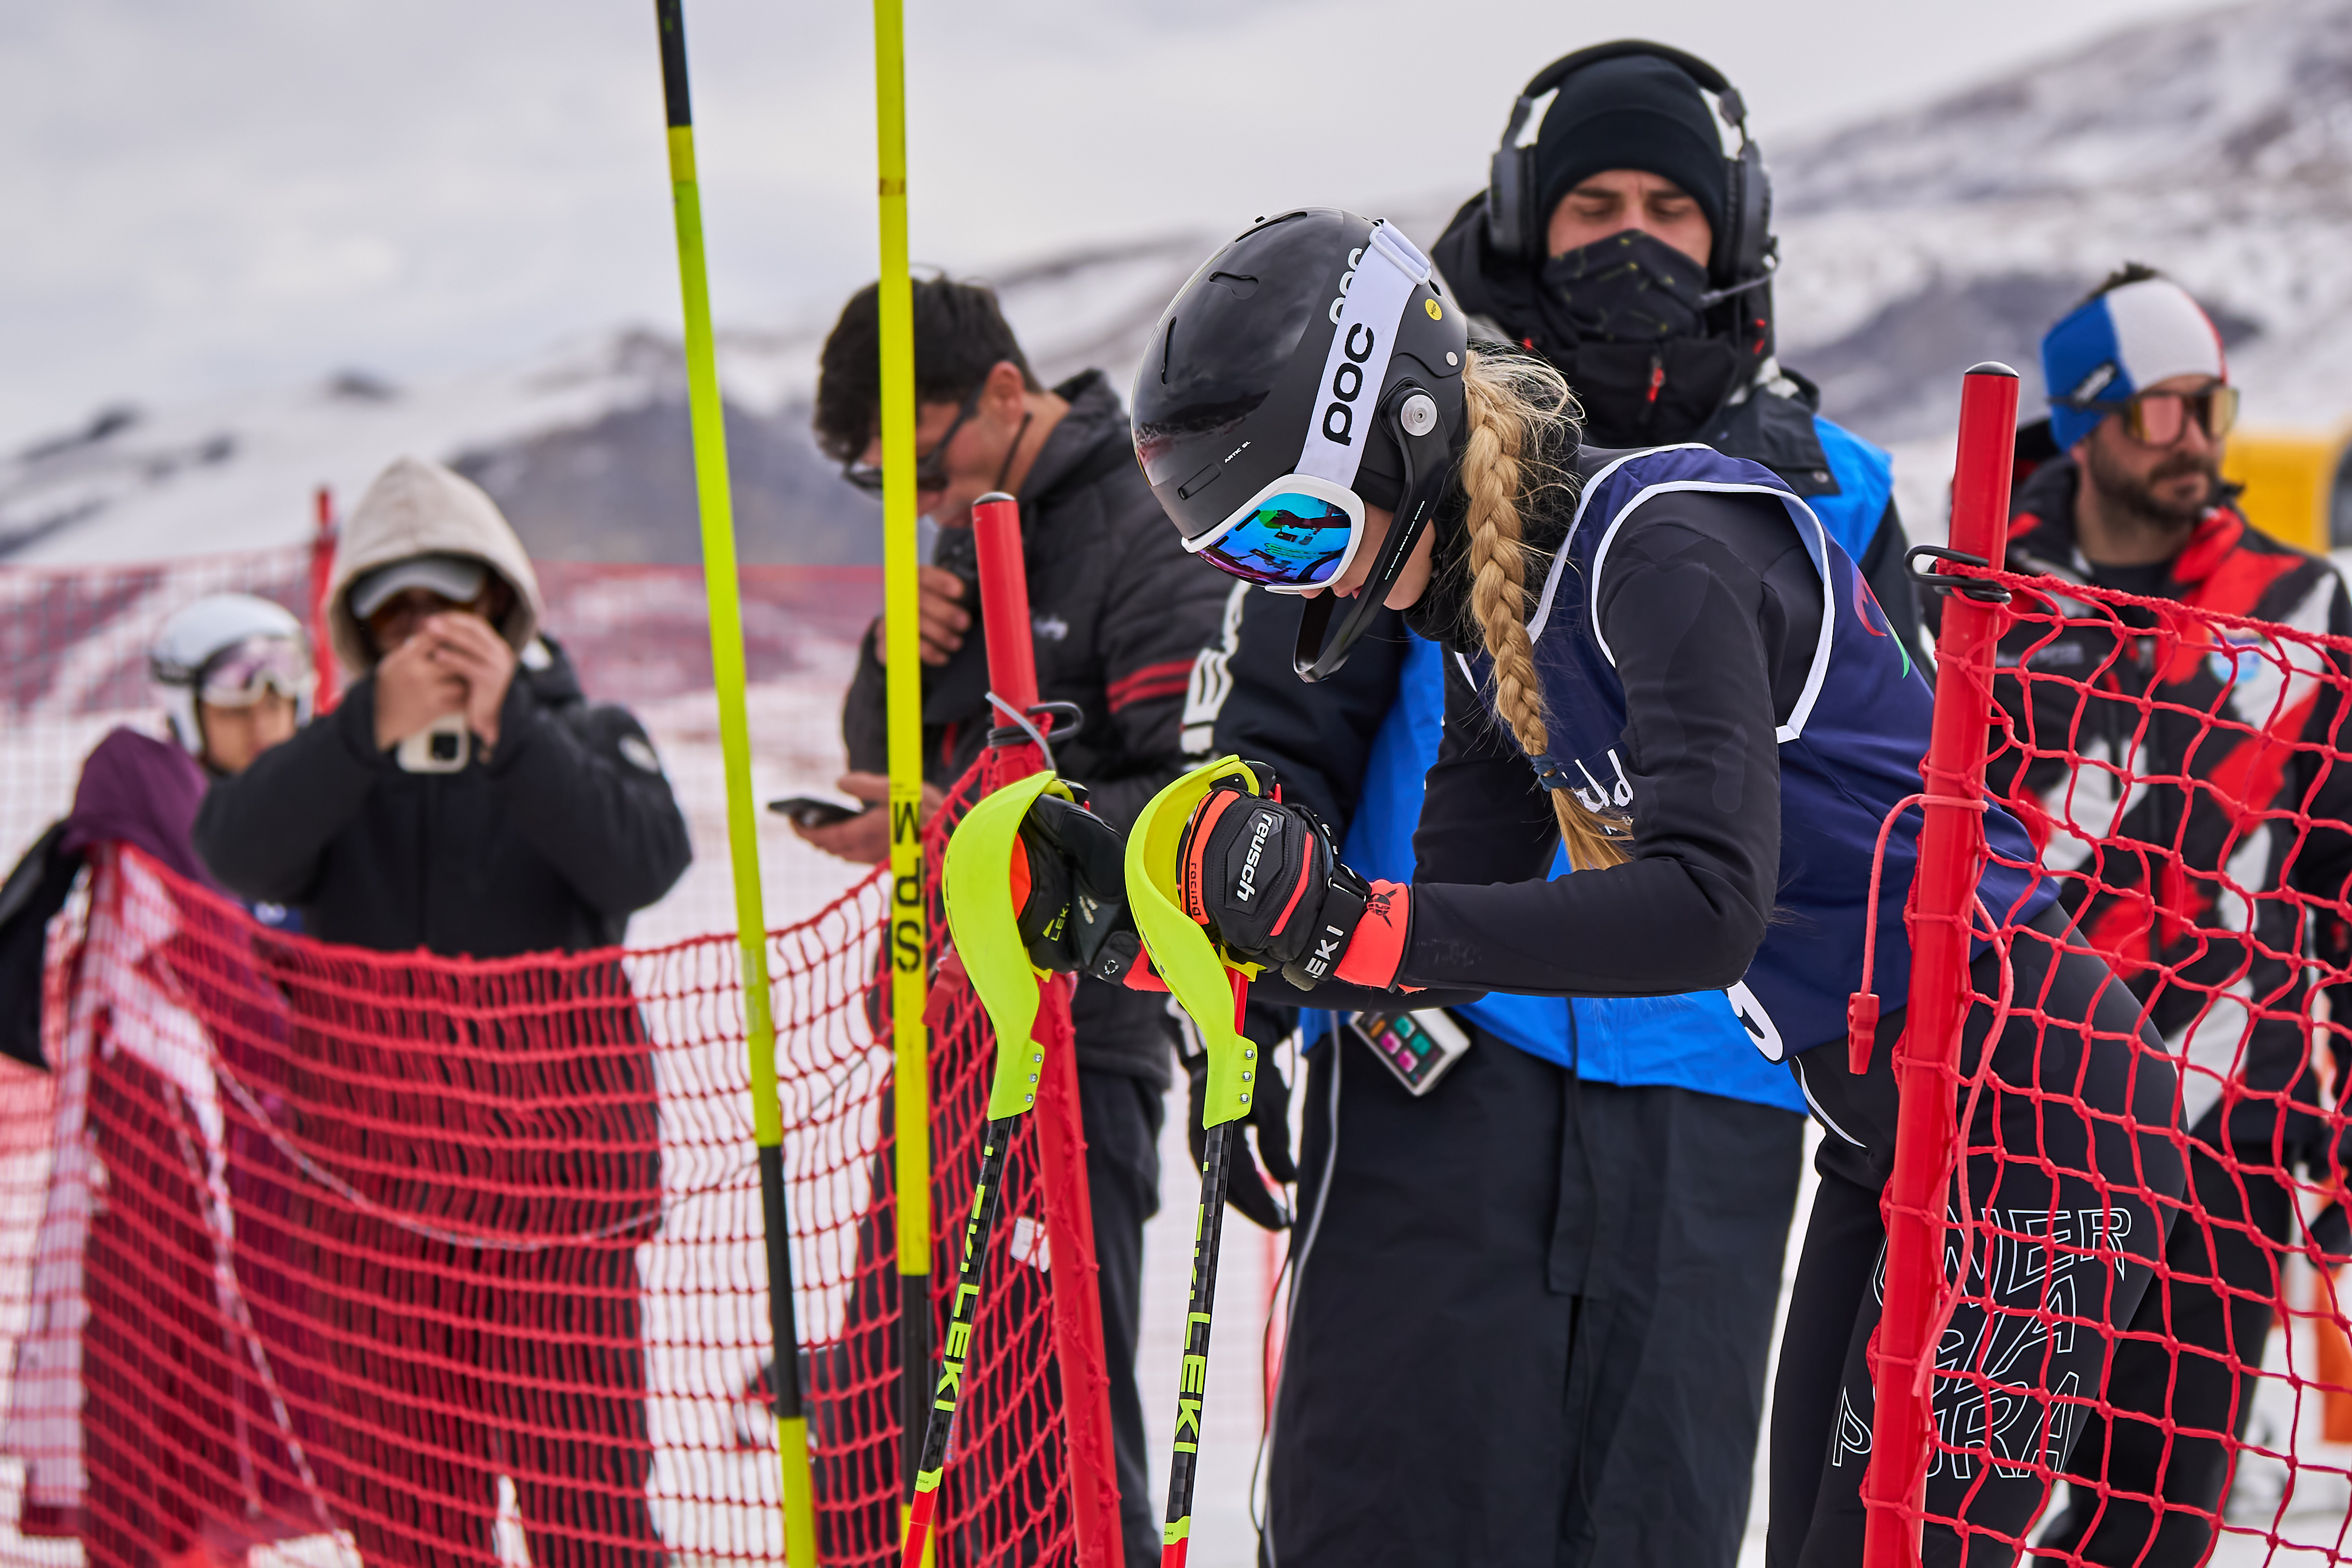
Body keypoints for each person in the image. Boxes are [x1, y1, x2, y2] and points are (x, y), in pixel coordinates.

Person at [1003, 208, 2198, 1565]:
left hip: (2041, 1116)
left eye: (1295, 529)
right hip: (1890, 1133)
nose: (1303, 581)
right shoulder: (1491, 626)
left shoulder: (1658, 546)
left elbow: (1704, 909)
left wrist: (1359, 926)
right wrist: (1171, 928)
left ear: (1397, 426)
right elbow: (1431, 936)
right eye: (1253, 561)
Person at [801, 276, 1233, 1568]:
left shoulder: (1145, 526)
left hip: (1075, 1046)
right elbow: (903, 758)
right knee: (881, 1439)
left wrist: (968, 828)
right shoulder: (961, 538)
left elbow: (1185, 802)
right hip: (943, 1041)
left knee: (1048, 1444)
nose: (918, 504)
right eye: (880, 486)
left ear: (1003, 392)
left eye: (922, 468)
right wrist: (892, 663)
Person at [193, 456, 691, 1567]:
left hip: (560, 1207)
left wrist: (514, 728)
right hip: (378, 1212)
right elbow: (234, 848)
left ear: (502, 605)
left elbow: (645, 860)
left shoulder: (584, 728)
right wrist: (362, 731)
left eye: (451, 602)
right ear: (361, 631)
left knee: (591, 1520)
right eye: (397, 611)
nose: (428, 632)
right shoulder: (338, 759)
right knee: (409, 1524)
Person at [1955, 267, 2352, 1566]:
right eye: (2159, 409)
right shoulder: (1982, 590)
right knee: (1966, 1497)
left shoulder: (2303, 605)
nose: (2196, 438)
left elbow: (2340, 879)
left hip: (2227, 1140)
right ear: (2083, 420)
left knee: (2159, 1521)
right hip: (2026, 1127)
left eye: (2210, 404)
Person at [0, 594, 322, 1568]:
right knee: (158, 1407)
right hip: (166, 1174)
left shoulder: (307, 829)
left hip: (289, 1190)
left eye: (281, 702)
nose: (265, 726)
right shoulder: (156, 821)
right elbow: (220, 988)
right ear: (187, 710)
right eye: (238, 706)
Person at [1428, 41, 1923, 670]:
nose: (1633, 235)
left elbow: (1895, 719)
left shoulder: (1843, 487)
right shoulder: (1424, 450)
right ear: (1526, 229)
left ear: (1731, 239)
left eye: (1670, 210)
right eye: (1595, 208)